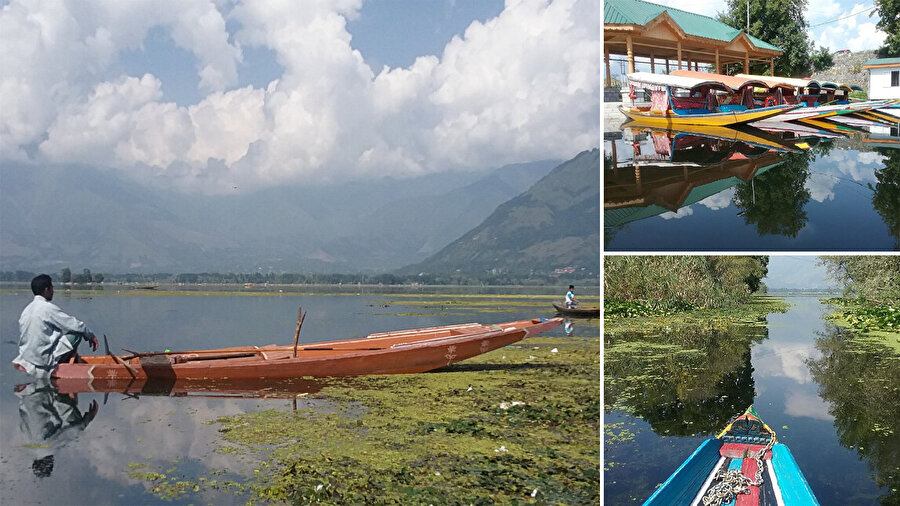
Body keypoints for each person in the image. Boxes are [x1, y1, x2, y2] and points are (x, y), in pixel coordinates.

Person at [12, 274, 99, 377]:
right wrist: (90, 335)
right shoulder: (47, 308)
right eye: (52, 288)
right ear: (46, 289)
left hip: (28, 356)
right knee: (77, 334)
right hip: (43, 358)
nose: (53, 291)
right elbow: (75, 325)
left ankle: (70, 360)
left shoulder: (27, 310)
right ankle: (63, 366)